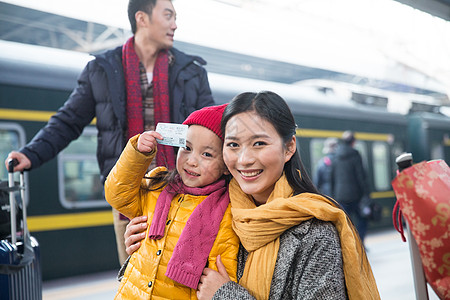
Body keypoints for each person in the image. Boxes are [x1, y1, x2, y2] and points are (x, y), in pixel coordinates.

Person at [4, 0, 214, 265]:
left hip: (186, 194)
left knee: (185, 276)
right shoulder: (102, 70)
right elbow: (68, 121)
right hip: (130, 199)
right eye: (169, 15)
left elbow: (212, 129)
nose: (175, 24)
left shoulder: (191, 72)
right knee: (133, 278)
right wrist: (30, 154)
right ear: (142, 18)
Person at [125, 91, 380, 299]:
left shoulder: (315, 233)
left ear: (289, 147)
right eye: (233, 145)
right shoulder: (212, 212)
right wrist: (147, 246)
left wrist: (225, 295)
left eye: (259, 143)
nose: (245, 160)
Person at [105, 104, 240, 298]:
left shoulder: (227, 213)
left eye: (207, 154)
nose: (191, 161)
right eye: (186, 147)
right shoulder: (157, 186)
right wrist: (137, 155)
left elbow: (222, 272)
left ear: (226, 166)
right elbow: (116, 194)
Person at [330, 131, 370, 244]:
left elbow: (332, 178)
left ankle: (347, 245)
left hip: (340, 196)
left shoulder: (335, 156)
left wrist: (334, 195)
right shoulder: (355, 154)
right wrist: (366, 194)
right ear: (353, 142)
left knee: (345, 223)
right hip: (355, 195)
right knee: (363, 219)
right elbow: (361, 176)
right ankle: (359, 243)